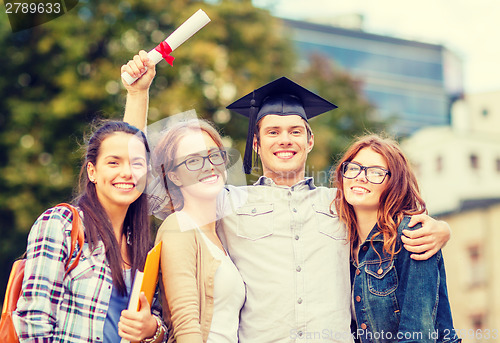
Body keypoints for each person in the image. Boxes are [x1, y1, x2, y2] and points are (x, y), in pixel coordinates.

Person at [121, 52, 452, 343]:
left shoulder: (342, 203)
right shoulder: (225, 203)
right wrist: (137, 95)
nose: (285, 140)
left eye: (295, 131)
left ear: (310, 140)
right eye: (272, 132)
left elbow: (391, 216)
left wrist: (441, 229)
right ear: (256, 144)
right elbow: (134, 180)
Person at [13, 121, 167, 343]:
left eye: (137, 163)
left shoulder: (142, 245)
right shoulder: (61, 224)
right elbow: (33, 320)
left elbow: (157, 321)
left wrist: (153, 329)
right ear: (92, 171)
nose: (127, 172)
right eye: (114, 162)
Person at [331, 134, 460, 343]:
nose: (360, 177)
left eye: (375, 172)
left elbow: (417, 336)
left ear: (394, 184)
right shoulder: (338, 240)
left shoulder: (412, 237)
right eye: (354, 168)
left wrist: (445, 228)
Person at [152, 119, 245, 343]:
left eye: (214, 155)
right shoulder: (179, 227)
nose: (208, 165)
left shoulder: (220, 235)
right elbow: (186, 327)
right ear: (173, 176)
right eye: (193, 160)